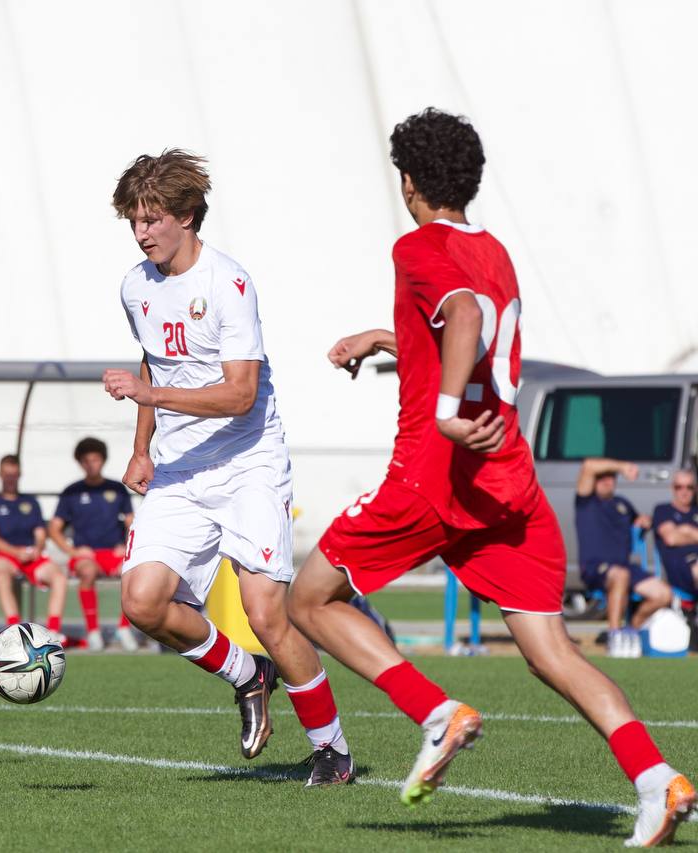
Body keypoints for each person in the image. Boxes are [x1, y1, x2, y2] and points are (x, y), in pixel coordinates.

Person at [284, 108, 693, 845]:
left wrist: (442, 412)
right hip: (508, 481)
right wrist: (389, 338)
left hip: (436, 479)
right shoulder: (495, 250)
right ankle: (658, 779)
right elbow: (466, 321)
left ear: (408, 181)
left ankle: (436, 712)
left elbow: (464, 316)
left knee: (308, 600)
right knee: (552, 652)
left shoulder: (416, 246)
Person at [103, 149, 352, 786]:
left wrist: (147, 396)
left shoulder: (228, 283)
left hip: (247, 463)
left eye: (153, 217)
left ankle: (331, 749)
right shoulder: (136, 286)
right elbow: (154, 366)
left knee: (267, 613)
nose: (142, 231)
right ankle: (247, 674)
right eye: (135, 219)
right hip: (180, 468)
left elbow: (240, 393)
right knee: (142, 601)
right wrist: (140, 446)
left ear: (187, 216)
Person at [48, 437, 138, 650]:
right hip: (86, 557)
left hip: (113, 553)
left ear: (103, 460)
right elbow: (54, 529)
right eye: (86, 460)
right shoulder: (72, 491)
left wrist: (126, 548)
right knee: (87, 572)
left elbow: (132, 522)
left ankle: (123, 628)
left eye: (96, 460)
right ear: (80, 462)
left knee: (134, 572)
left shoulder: (117, 488)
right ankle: (93, 631)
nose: (91, 464)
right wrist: (73, 552)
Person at [575, 458, 671, 657]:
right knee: (620, 576)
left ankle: (631, 631)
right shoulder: (586, 502)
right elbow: (588, 466)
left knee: (663, 594)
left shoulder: (622, 503)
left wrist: (644, 521)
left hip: (625, 567)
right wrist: (622, 466)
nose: (607, 481)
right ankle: (614, 634)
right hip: (597, 567)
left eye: (611, 477)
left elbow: (639, 519)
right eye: (602, 477)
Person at [0, 454, 68, 640]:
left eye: (14, 475)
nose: (10, 479)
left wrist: (37, 548)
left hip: (30, 555)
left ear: (19, 474)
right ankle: (14, 630)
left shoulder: (31, 502)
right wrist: (16, 553)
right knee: (1, 572)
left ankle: (53, 632)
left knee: (59, 577)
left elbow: (40, 533)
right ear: (0, 474)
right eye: (7, 475)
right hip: (6, 555)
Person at [652, 469, 698, 602]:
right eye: (679, 487)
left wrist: (687, 530)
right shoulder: (663, 510)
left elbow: (677, 536)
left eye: (689, 487)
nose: (684, 491)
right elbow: (671, 539)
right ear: (673, 488)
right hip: (680, 565)